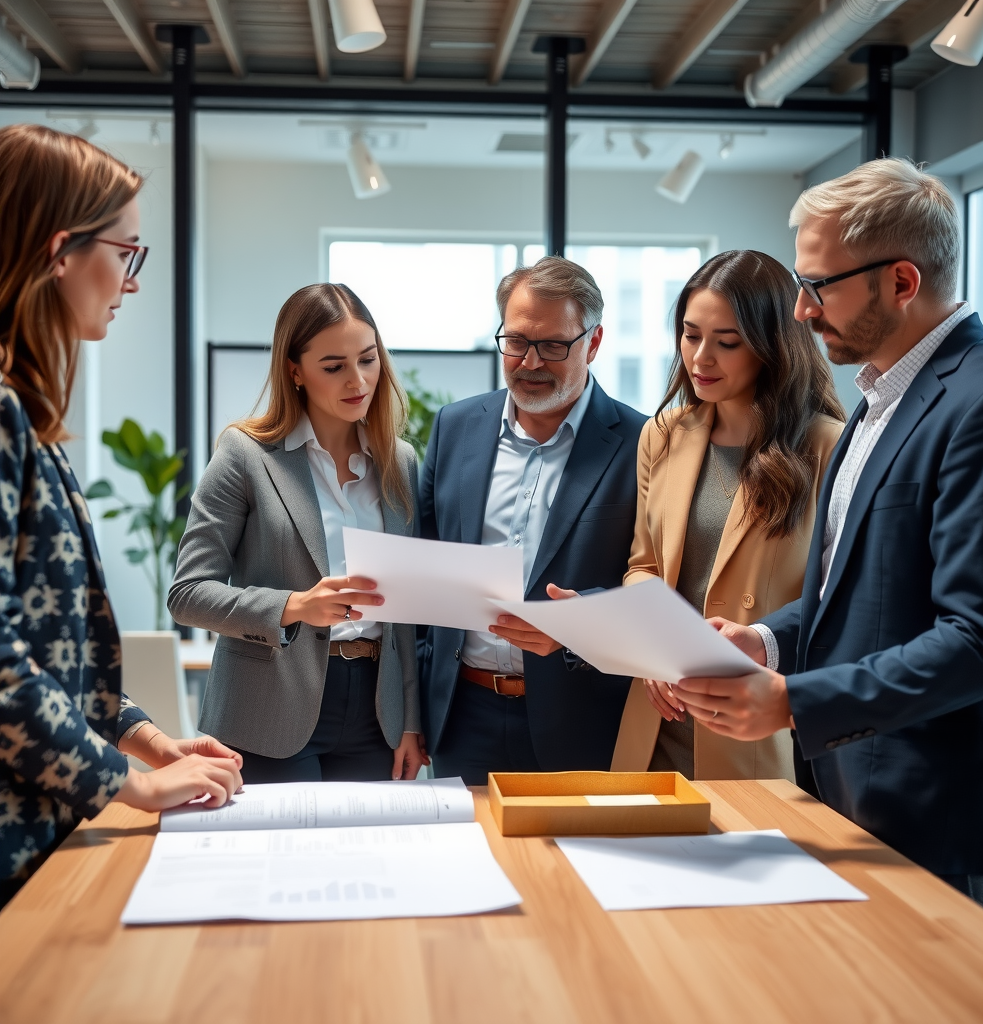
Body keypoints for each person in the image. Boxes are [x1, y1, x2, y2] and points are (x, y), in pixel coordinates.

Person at [665, 159, 983, 927]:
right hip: (853, 802)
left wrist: (792, 701)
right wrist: (764, 641)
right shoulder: (874, 400)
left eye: (819, 285)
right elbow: (857, 596)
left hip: (943, 822)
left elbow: (982, 642)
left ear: (900, 281)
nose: (799, 310)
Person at [0, 124, 243, 905]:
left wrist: (148, 740)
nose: (132, 280)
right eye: (126, 253)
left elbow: (54, 652)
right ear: (60, 251)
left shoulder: (32, 422)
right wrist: (130, 783)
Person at [169, 284, 427, 783]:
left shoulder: (401, 463)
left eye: (368, 360)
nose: (358, 380)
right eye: (334, 366)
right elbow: (187, 594)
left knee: (367, 859)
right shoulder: (245, 456)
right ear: (295, 370)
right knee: (280, 858)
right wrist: (294, 607)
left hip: (377, 715)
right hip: (268, 706)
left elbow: (408, 616)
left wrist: (410, 723)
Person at [610, 251, 844, 781]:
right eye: (691, 335)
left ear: (772, 346)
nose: (701, 358)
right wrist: (651, 653)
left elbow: (833, 599)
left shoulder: (827, 445)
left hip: (754, 725)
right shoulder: (664, 434)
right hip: (659, 717)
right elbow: (644, 566)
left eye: (727, 342)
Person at [419, 256, 647, 785]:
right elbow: (423, 569)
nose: (529, 362)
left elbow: (658, 581)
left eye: (553, 346)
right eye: (517, 341)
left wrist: (574, 627)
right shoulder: (455, 428)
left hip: (582, 720)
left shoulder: (643, 443)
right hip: (461, 716)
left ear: (593, 343)